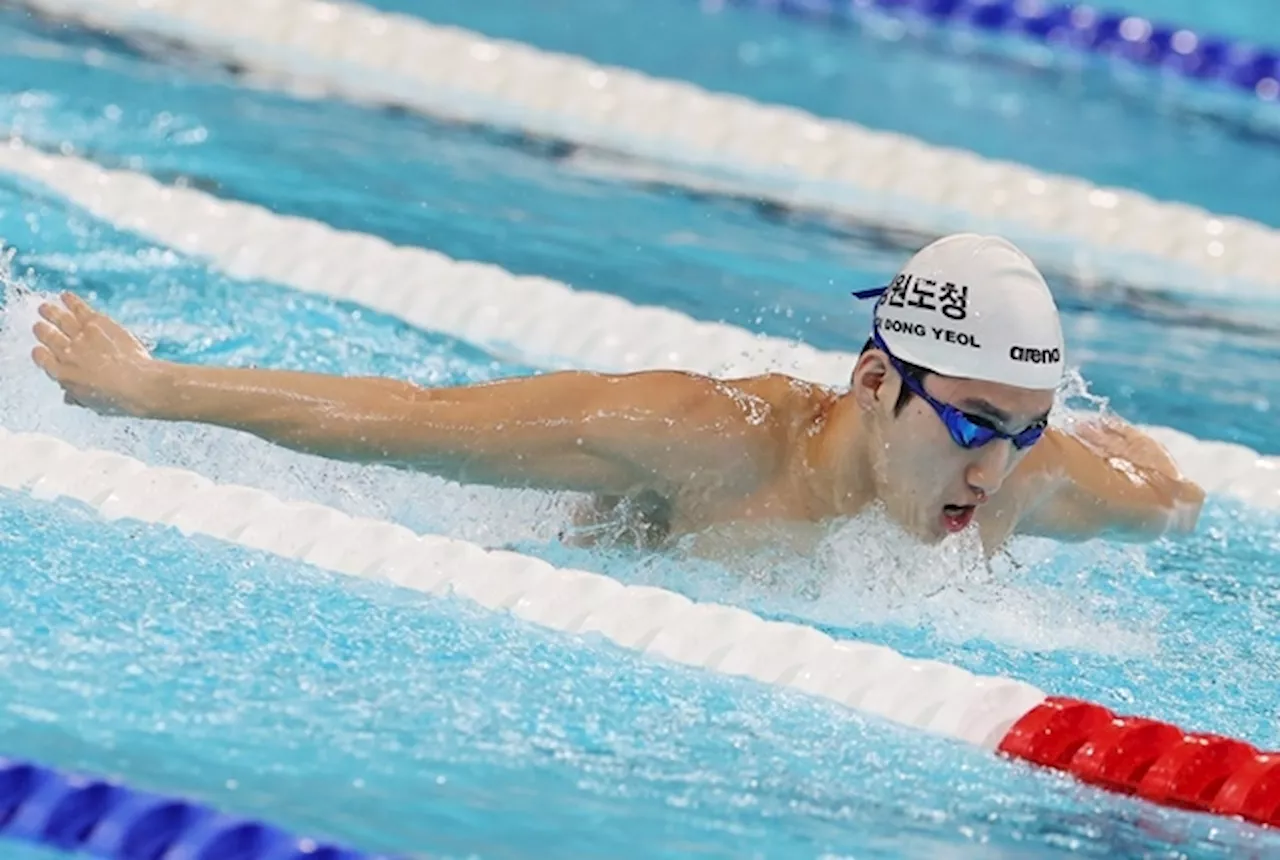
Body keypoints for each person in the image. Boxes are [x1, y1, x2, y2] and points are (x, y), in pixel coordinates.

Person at [29, 233, 1204, 557]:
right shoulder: (699, 437)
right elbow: (410, 419)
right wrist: (154, 386)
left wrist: (1145, 468)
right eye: (969, 424)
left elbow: (1166, 503)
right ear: (871, 379)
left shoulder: (1019, 480)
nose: (994, 468)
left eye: (1026, 430)